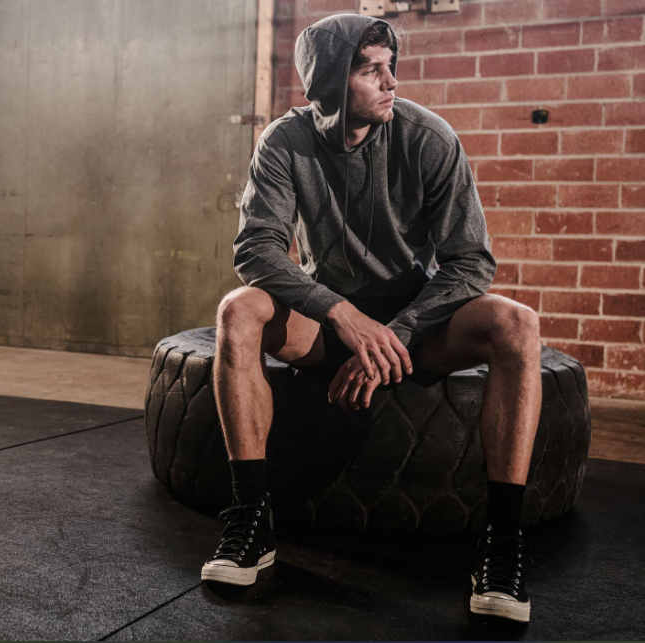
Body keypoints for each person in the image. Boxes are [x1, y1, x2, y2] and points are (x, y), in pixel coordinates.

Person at [200, 13, 541, 624]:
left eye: (391, 68)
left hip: (421, 328)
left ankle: (504, 542)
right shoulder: (284, 142)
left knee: (516, 323)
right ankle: (252, 519)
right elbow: (257, 249)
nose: (390, 83)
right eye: (369, 71)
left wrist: (394, 336)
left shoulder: (428, 138)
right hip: (330, 323)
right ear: (331, 83)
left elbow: (470, 263)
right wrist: (341, 316)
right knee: (238, 310)